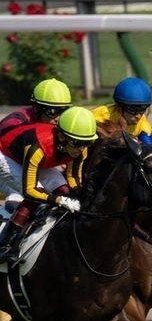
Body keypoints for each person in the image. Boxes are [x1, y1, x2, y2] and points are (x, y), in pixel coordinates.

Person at [0, 107, 98, 263]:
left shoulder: (79, 149)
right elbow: (29, 191)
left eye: (86, 143)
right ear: (61, 136)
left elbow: (73, 177)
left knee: (64, 190)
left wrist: (77, 195)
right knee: (37, 196)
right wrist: (58, 200)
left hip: (38, 156)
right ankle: (6, 244)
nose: (80, 149)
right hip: (5, 155)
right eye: (76, 142)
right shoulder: (37, 147)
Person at [0, 78, 73, 145]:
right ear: (37, 108)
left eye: (64, 111)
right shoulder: (13, 124)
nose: (58, 118)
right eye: (52, 111)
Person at [92, 77, 152, 145]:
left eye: (142, 109)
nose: (138, 116)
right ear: (118, 107)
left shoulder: (143, 125)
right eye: (133, 110)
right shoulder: (100, 116)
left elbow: (150, 149)